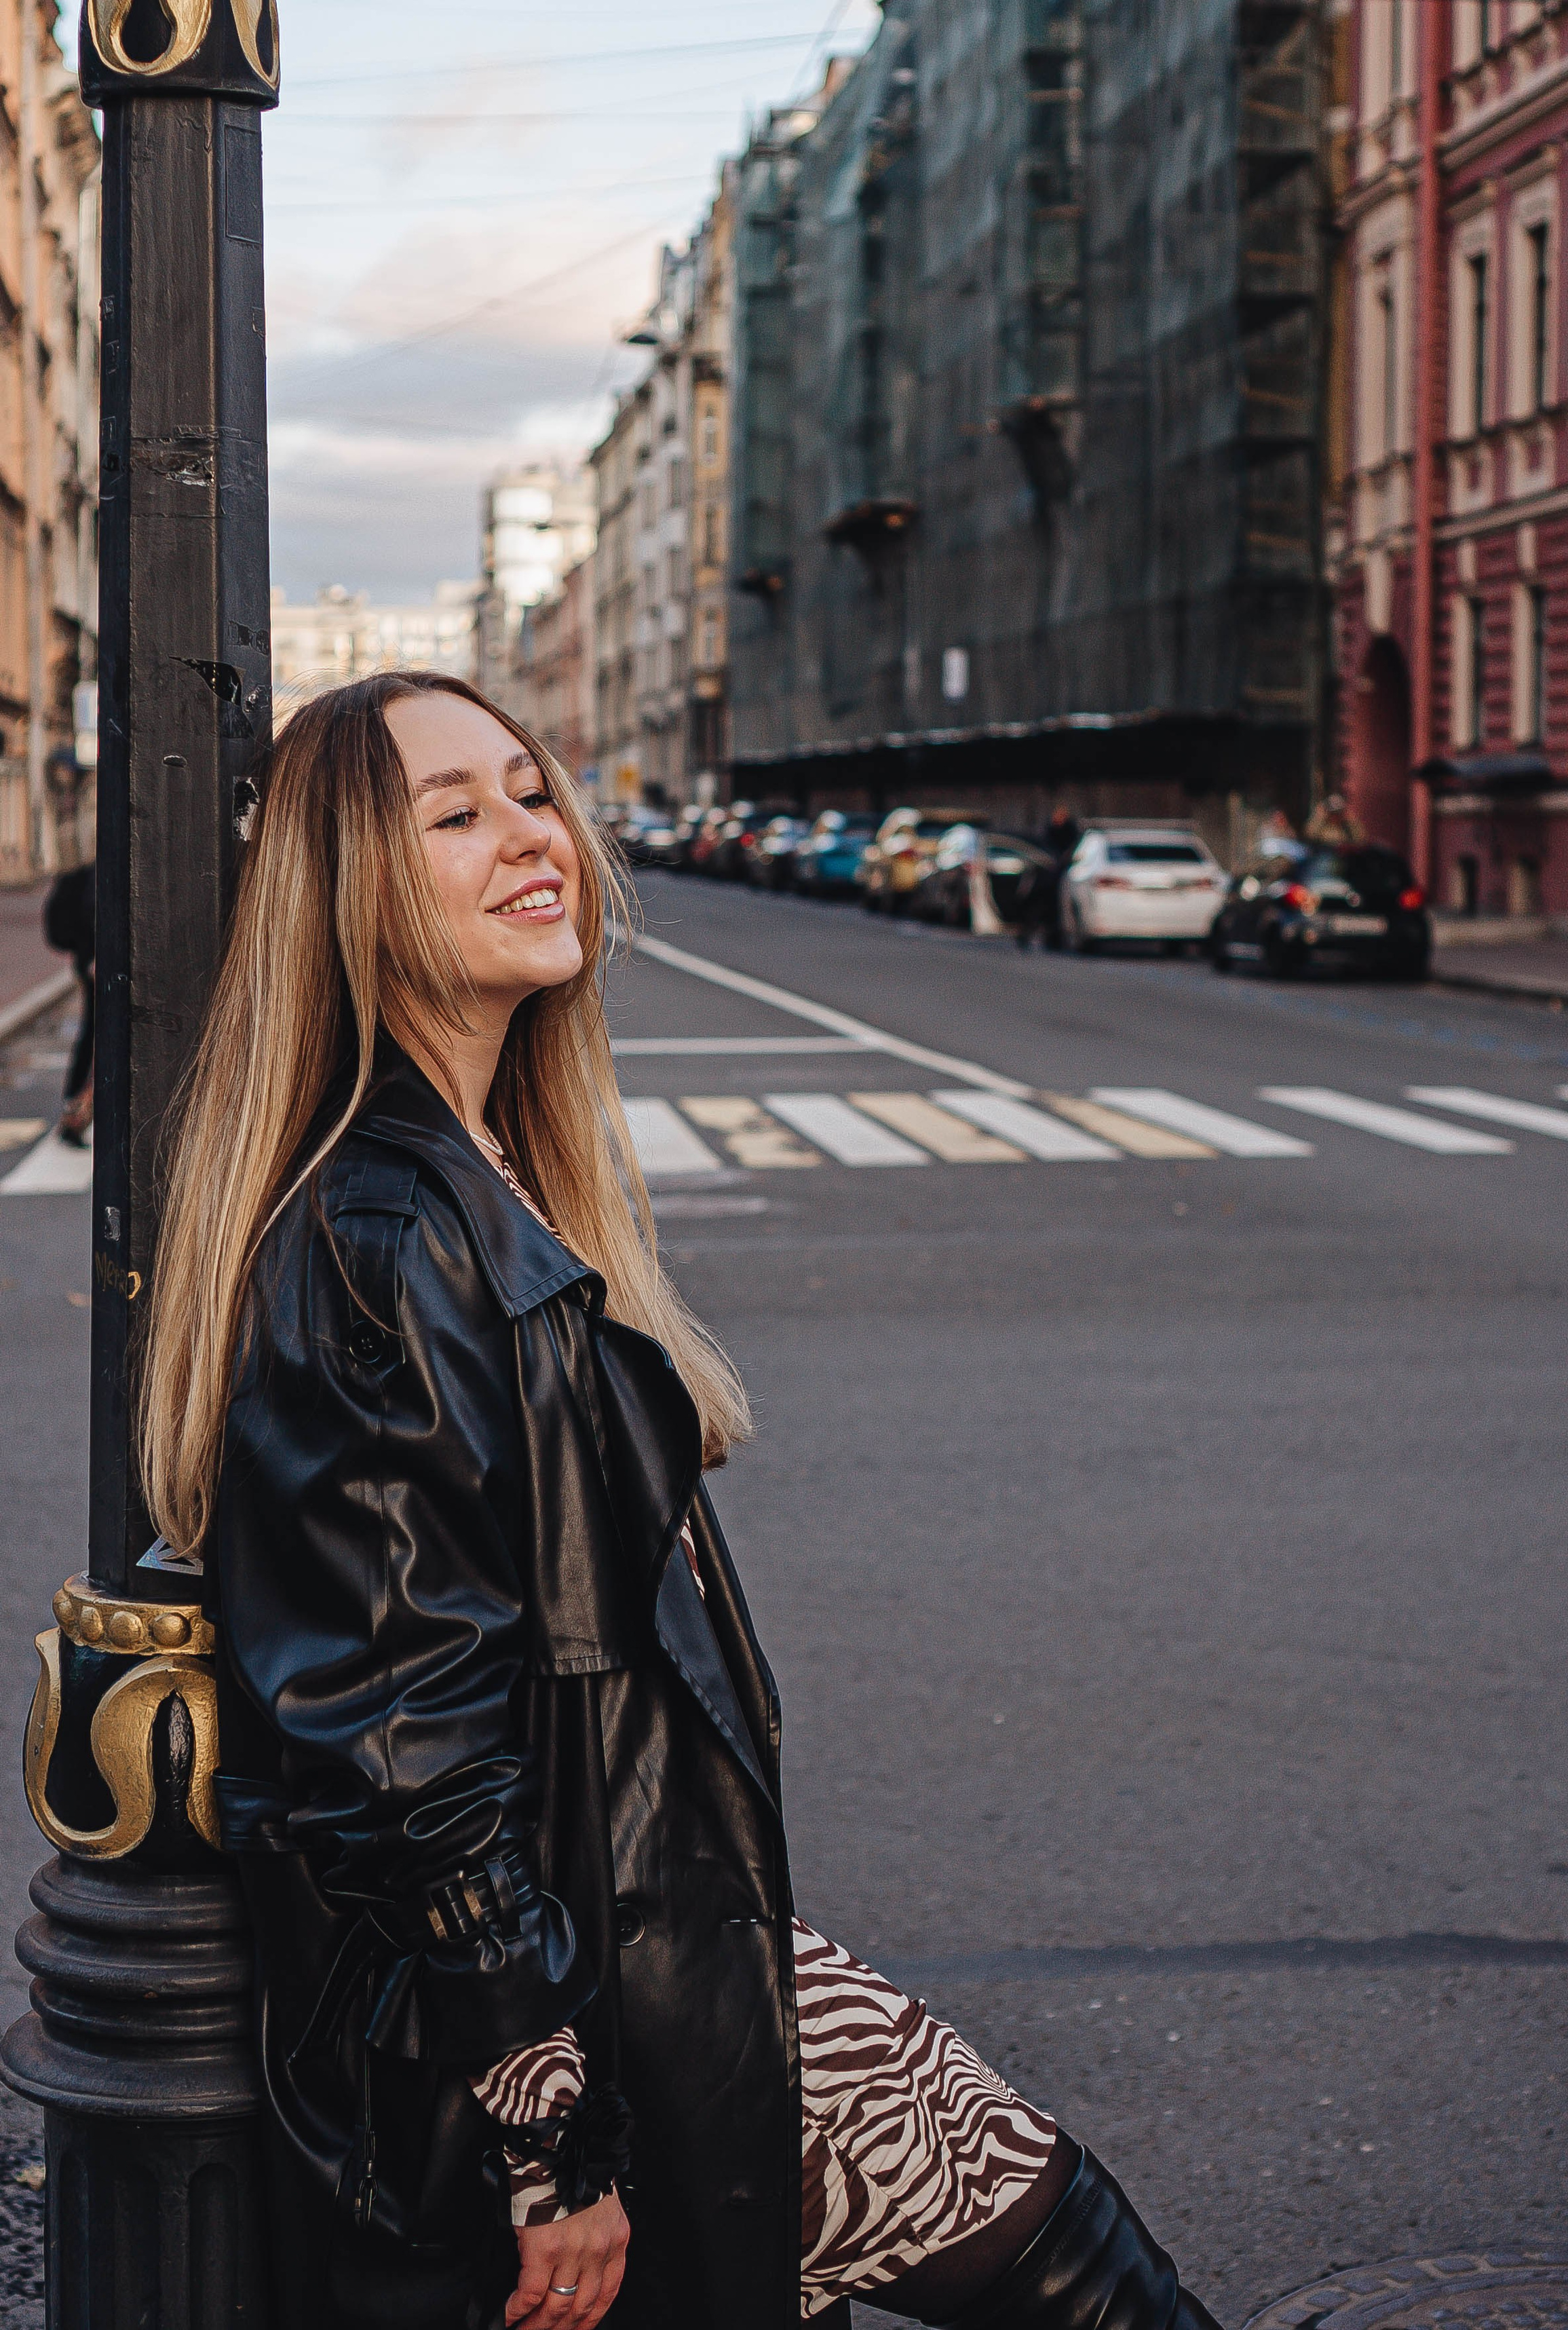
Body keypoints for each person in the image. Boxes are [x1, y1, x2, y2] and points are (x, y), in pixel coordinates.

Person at [139, 673, 1224, 2330]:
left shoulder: (484, 1167)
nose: (532, 836)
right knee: (1082, 2270)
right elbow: (390, 1732)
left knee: (1061, 2251)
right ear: (350, 889)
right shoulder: (383, 1235)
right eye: (454, 813)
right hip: (599, 1999)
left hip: (671, 1940)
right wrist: (544, 2130)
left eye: (528, 788)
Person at [41, 860, 94, 1144]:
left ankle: (74, 1111)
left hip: (89, 966)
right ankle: (75, 1113)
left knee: (91, 1038)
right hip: (97, 968)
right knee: (96, 1041)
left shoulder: (88, 873)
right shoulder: (101, 874)